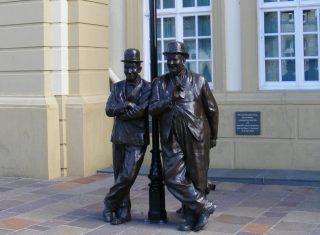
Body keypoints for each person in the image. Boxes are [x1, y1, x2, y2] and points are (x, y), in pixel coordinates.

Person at [149, 41, 218, 232]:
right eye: (168, 59)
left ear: (184, 59)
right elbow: (152, 109)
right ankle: (204, 206)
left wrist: (213, 136)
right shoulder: (159, 83)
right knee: (173, 177)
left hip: (196, 134)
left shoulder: (199, 80)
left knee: (197, 178)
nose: (171, 63)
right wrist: (169, 99)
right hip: (171, 136)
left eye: (175, 59)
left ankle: (191, 217)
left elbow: (212, 109)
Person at [103, 48, 151, 225]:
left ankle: (109, 204)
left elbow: (143, 110)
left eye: (133, 67)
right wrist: (126, 105)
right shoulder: (117, 87)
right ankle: (123, 211)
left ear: (139, 67)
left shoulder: (148, 87)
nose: (130, 71)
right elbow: (109, 109)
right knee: (119, 176)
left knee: (128, 176)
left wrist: (121, 113)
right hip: (119, 137)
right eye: (127, 67)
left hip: (137, 139)